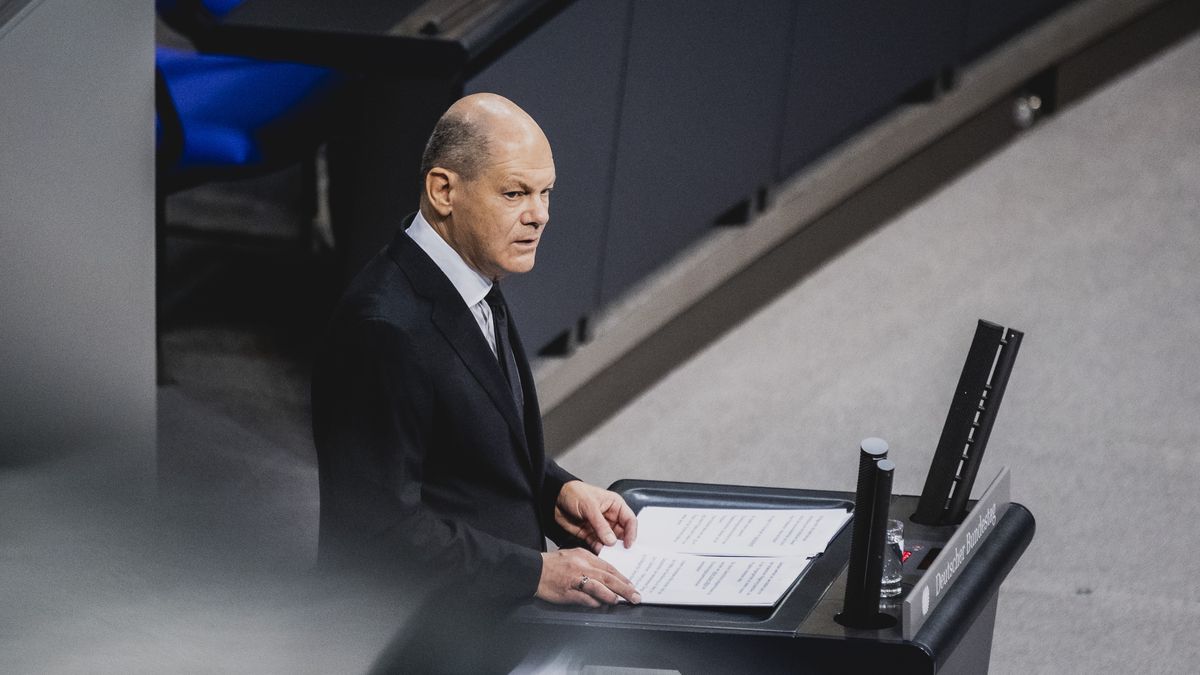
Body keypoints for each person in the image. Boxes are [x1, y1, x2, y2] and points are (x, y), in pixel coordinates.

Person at [311, 93, 640, 669]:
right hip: (415, 642)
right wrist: (534, 571)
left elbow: (463, 447)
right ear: (444, 191)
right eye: (515, 193)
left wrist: (553, 490)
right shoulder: (383, 328)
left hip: (482, 625)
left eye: (546, 193)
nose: (539, 214)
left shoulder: (473, 278)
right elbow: (378, 529)